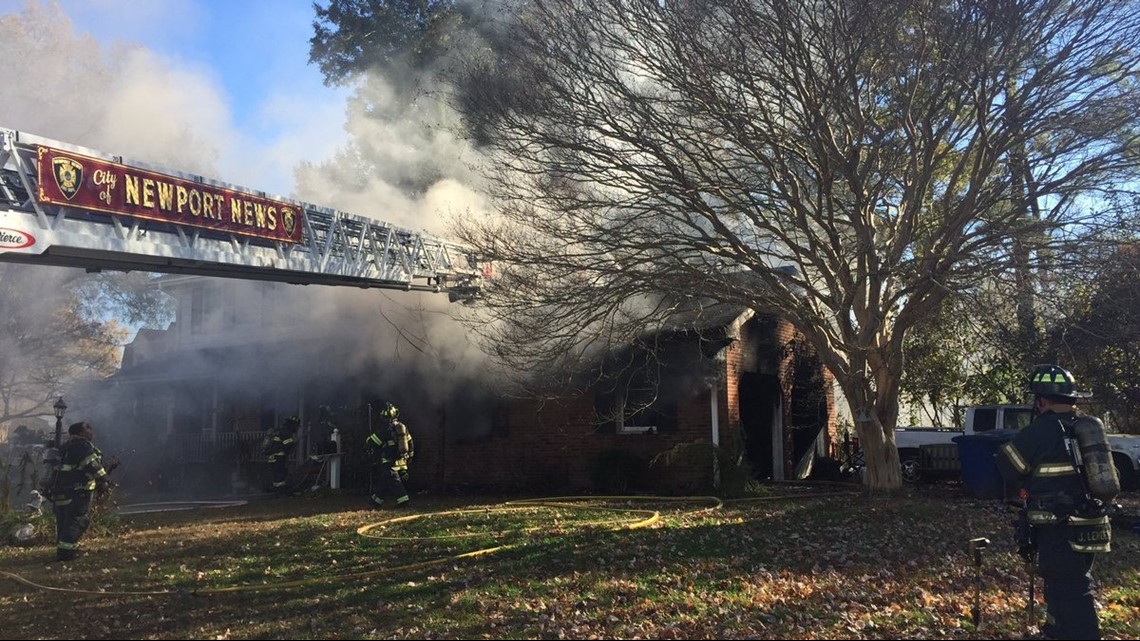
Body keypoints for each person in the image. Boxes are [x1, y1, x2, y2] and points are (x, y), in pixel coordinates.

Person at [997, 364, 1113, 640]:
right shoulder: (1085, 427)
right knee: (1066, 581)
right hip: (1091, 523)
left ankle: (1081, 634)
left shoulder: (1040, 431)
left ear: (1042, 401)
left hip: (1057, 525)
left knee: (1070, 587)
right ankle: (1056, 630)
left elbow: (1008, 467)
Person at [48, 421, 110, 561]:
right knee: (77, 520)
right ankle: (66, 553)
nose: (91, 432)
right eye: (88, 429)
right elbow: (92, 464)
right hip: (78, 490)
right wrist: (104, 480)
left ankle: (63, 550)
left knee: (64, 521)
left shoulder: (65, 447)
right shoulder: (82, 446)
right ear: (81, 432)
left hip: (60, 491)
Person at [365, 402, 414, 508]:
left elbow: (372, 442)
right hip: (401, 461)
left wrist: (369, 438)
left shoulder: (385, 429)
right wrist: (409, 456)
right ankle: (375, 502)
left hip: (389, 461)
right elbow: (410, 443)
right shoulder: (402, 427)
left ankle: (404, 501)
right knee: (384, 481)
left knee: (394, 482)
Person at [263, 415, 299, 496]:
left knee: (277, 474)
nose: (297, 428)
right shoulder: (286, 432)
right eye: (296, 426)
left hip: (272, 457)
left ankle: (276, 490)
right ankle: (280, 491)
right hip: (279, 457)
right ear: (293, 425)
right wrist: (294, 441)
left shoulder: (279, 430)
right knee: (280, 474)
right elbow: (288, 445)